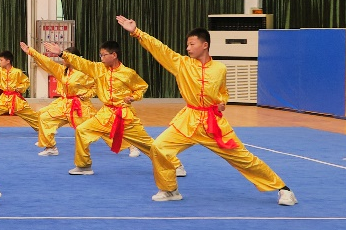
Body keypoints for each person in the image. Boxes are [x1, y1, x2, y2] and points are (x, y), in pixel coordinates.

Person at [120, 16, 296, 206]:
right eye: (187, 45)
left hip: (214, 125)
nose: (187, 48)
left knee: (244, 159)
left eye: (191, 44)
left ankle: (283, 190)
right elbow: (160, 48)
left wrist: (222, 102)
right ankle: (169, 190)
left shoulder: (220, 69)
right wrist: (136, 32)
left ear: (204, 45)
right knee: (159, 147)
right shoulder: (182, 64)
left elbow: (223, 92)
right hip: (188, 121)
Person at [45, 40, 179, 201]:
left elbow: (141, 87)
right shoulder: (98, 69)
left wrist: (133, 97)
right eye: (100, 55)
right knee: (82, 130)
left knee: (149, 145)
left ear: (114, 55)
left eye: (103, 55)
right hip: (105, 113)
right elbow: (82, 63)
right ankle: (84, 165)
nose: (101, 58)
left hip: (124, 115)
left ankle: (175, 164)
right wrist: (61, 53)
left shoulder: (128, 73)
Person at [20, 41, 97, 157]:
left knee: (100, 128)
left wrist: (88, 94)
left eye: (65, 57)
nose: (63, 59)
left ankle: (129, 143)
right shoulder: (62, 70)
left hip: (80, 107)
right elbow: (47, 62)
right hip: (64, 105)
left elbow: (96, 85)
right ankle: (50, 147)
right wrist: (31, 52)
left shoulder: (84, 72)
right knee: (45, 117)